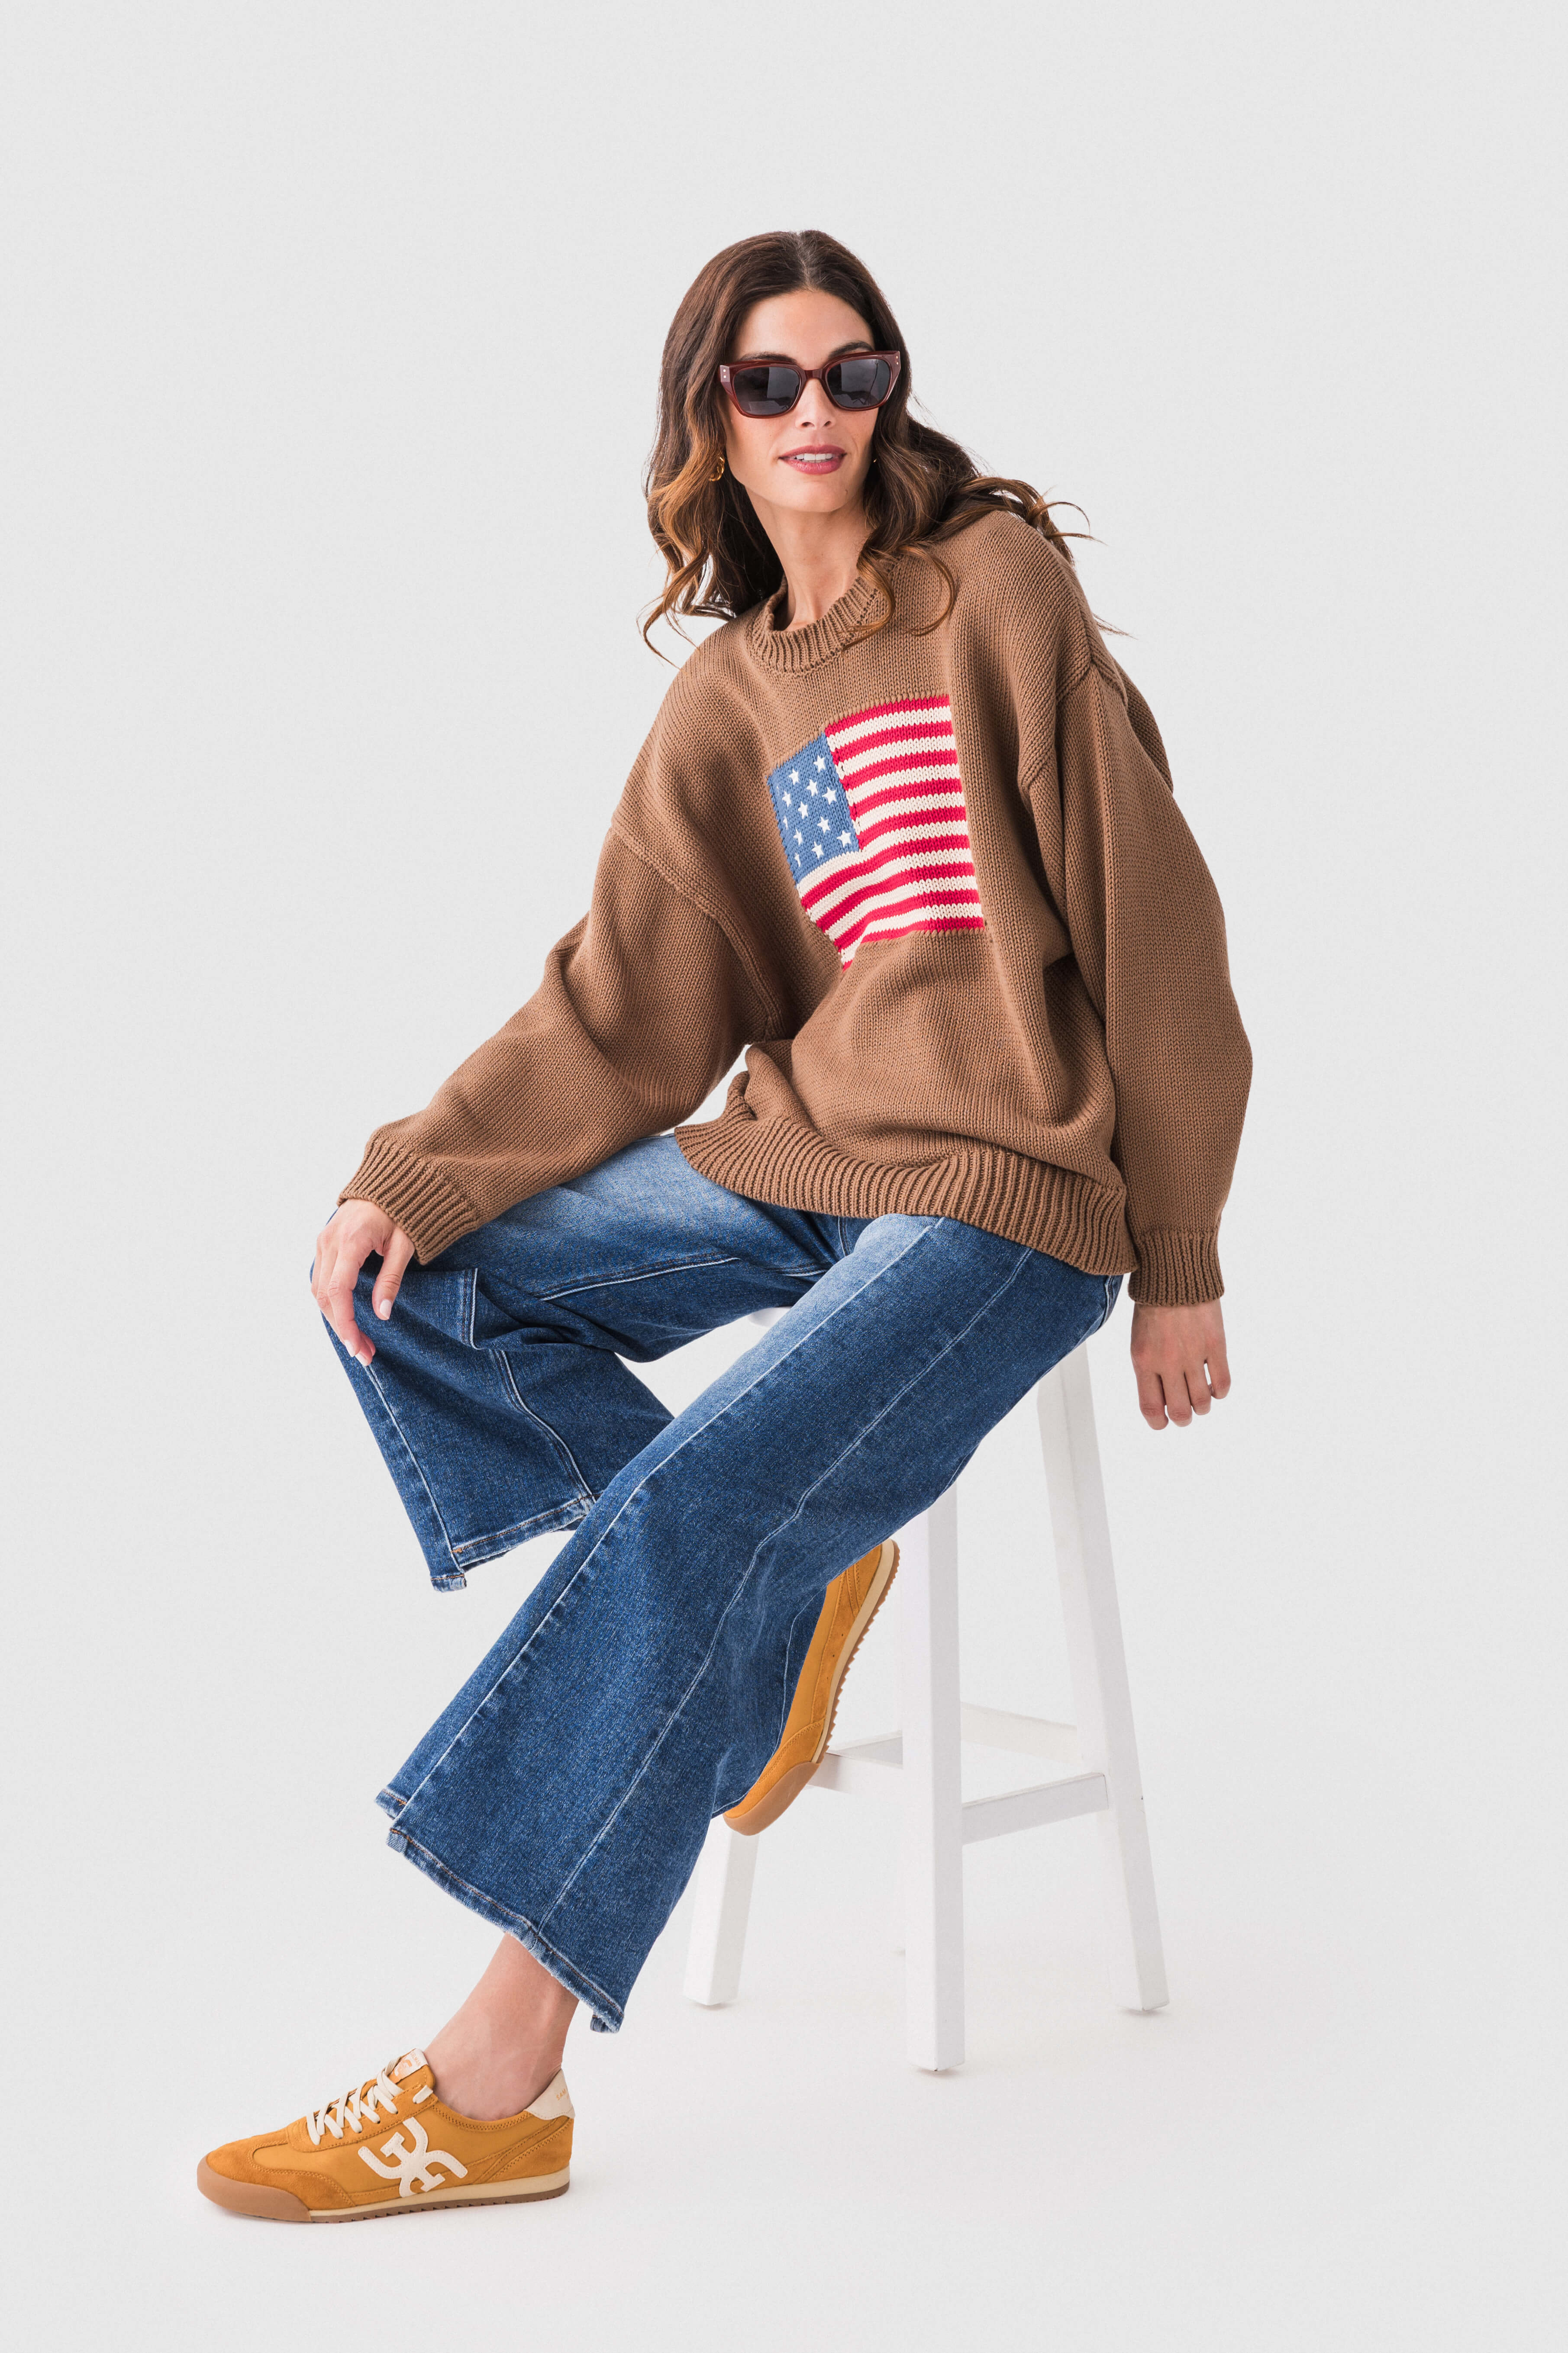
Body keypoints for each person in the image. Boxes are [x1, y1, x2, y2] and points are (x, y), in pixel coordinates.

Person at [198, 228, 1251, 2224]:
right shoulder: (733, 701)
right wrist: (408, 1169)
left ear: (891, 391)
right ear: (712, 412)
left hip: (1011, 1194)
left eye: (854, 372)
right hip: (806, 1164)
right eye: (771, 380)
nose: (816, 411)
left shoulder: (990, 593)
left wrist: (1181, 1256)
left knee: (696, 1516)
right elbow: (619, 1010)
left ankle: (494, 2081)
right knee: (422, 1287)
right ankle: (791, 1589)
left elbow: (1159, 929)